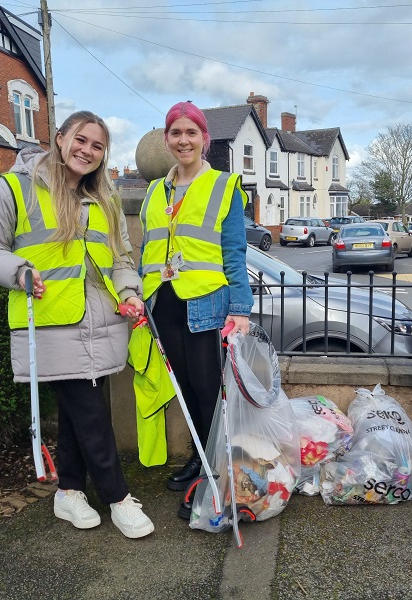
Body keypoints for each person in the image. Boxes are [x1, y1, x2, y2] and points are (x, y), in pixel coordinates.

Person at [0, 111, 154, 539]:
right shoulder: (14, 188)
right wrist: (18, 271)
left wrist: (129, 293)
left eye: (98, 146)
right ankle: (118, 497)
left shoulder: (104, 199)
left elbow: (121, 258)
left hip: (102, 324)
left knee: (77, 414)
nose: (87, 151)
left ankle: (68, 491)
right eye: (80, 140)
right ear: (60, 137)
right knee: (91, 414)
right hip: (51, 323)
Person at [138, 101, 253, 514]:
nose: (183, 140)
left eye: (191, 133)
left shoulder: (224, 185)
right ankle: (198, 457)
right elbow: (147, 248)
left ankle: (214, 470)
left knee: (208, 391)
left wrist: (240, 309)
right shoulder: (155, 190)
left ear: (205, 139)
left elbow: (235, 252)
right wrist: (141, 297)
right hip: (164, 302)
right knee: (185, 390)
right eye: (176, 132)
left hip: (206, 303)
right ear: (166, 139)